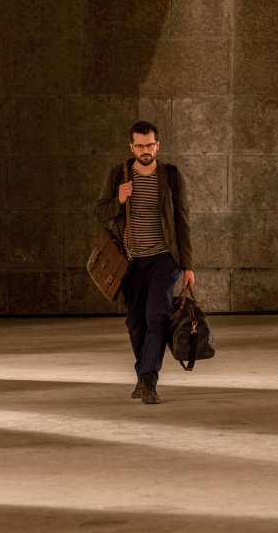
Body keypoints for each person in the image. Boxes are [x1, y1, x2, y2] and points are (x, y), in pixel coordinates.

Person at [94, 121, 194, 404]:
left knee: (156, 317)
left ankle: (149, 381)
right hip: (130, 263)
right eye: (139, 146)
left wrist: (188, 265)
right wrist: (118, 199)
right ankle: (142, 377)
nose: (145, 150)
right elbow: (99, 213)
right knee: (135, 323)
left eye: (149, 145)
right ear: (132, 147)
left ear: (157, 145)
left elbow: (182, 220)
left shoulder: (171, 176)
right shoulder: (118, 175)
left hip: (164, 260)